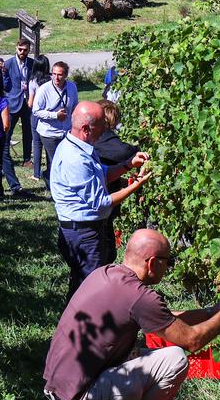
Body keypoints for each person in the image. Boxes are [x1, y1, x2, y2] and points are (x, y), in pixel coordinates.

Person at [42, 229, 220, 400]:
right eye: (168, 261)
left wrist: (210, 312)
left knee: (135, 351)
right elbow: (192, 341)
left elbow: (165, 318)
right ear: (153, 263)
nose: (170, 267)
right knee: (175, 358)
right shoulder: (140, 297)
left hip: (59, 390)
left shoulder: (105, 273)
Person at [51, 100, 153, 297]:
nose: (105, 131)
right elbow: (100, 203)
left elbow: (101, 174)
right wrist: (135, 185)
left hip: (81, 231)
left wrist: (128, 164)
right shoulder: (75, 159)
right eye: (102, 126)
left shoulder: (79, 146)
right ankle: (83, 326)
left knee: (82, 287)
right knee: (91, 293)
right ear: (86, 129)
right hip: (84, 234)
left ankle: (71, 324)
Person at [32, 60, 77, 186]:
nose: (56, 77)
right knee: (55, 161)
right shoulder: (44, 89)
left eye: (60, 74)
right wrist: (55, 115)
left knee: (65, 160)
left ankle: (51, 178)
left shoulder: (72, 87)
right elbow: (35, 111)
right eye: (54, 74)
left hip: (66, 131)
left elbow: (75, 106)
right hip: (49, 132)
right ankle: (54, 187)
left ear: (66, 75)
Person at [1, 40, 33, 192]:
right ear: (16, 48)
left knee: (29, 132)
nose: (22, 52)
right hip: (13, 102)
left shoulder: (31, 63)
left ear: (29, 50)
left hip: (27, 103)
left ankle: (27, 158)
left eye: (25, 50)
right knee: (7, 132)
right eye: (20, 49)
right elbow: (4, 85)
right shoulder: (8, 64)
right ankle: (5, 154)